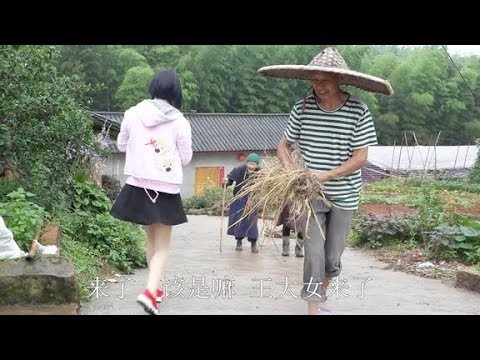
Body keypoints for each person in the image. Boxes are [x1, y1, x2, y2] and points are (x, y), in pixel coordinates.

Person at [258, 47, 393, 315]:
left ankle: (321, 296)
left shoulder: (358, 111)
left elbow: (361, 158)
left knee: (332, 258)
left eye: (324, 81)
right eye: (314, 80)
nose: (318, 86)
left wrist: (328, 174)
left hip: (344, 194)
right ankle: (313, 309)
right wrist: (292, 171)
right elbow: (283, 146)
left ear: (339, 80)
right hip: (310, 195)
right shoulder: (303, 107)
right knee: (314, 254)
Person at [110, 69, 193, 315]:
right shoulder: (180, 121)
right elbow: (186, 158)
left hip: (137, 186)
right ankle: (149, 291)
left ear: (153, 87)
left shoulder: (132, 114)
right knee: (163, 246)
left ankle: (155, 289)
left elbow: (121, 144)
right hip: (165, 189)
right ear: (175, 92)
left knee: (151, 240)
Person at [225, 153, 261, 253]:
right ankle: (239, 242)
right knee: (239, 220)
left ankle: (253, 243)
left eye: (254, 164)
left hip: (253, 200)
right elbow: (230, 179)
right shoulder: (240, 170)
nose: (251, 166)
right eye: (250, 164)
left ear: (257, 165)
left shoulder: (260, 173)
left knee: (252, 222)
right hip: (239, 199)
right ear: (246, 163)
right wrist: (226, 181)